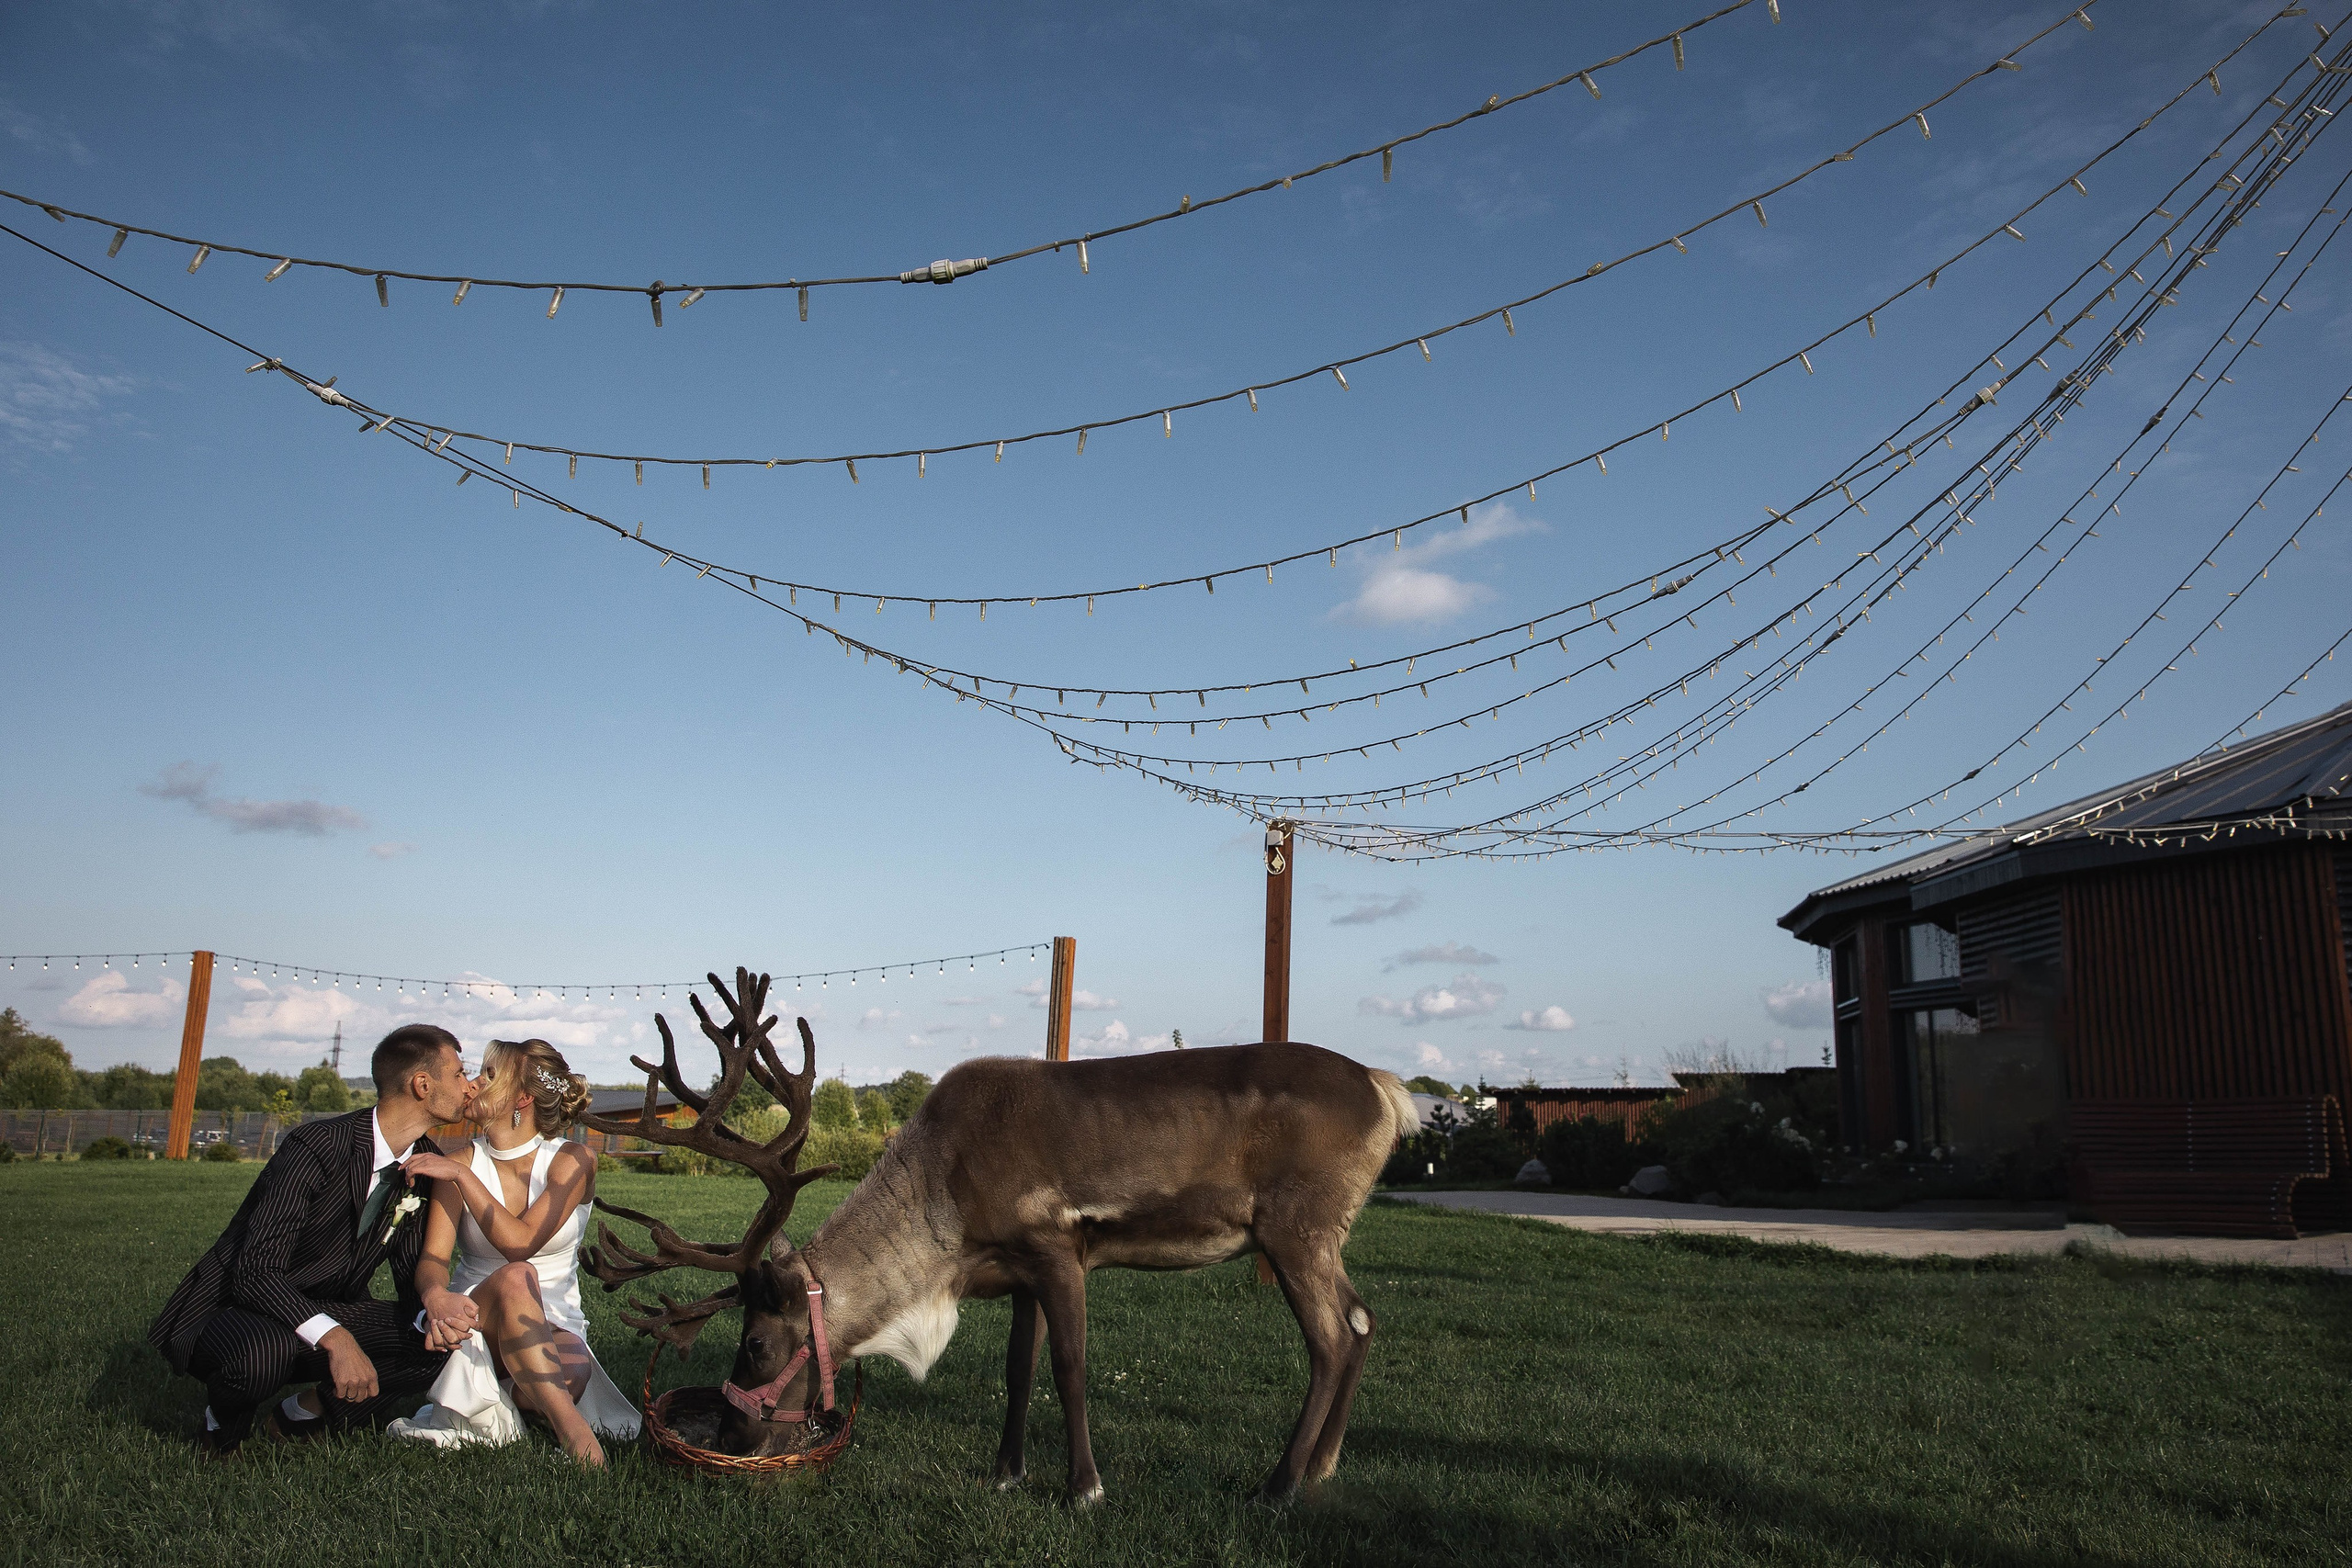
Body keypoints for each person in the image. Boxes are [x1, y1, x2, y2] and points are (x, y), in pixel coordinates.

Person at [147, 1024, 473, 1457]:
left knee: (438, 1345)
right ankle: (221, 1431)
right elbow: (256, 1273)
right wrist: (337, 1338)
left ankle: (300, 1416)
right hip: (237, 1307)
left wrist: (433, 1311)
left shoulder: (424, 1162)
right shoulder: (317, 1145)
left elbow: (409, 1268)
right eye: (458, 1074)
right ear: (422, 1084)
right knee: (266, 1350)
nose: (468, 1086)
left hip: (327, 1308)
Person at [387, 1037, 639, 1464]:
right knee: (516, 1276)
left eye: (488, 1075)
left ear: (521, 1097)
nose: (471, 1083)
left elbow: (521, 1242)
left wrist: (463, 1180)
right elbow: (433, 1260)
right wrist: (436, 1297)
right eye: (475, 1072)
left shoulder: (573, 1160)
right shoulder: (460, 1161)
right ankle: (576, 1438)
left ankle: (506, 1403)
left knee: (571, 1371)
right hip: (476, 1317)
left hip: (554, 1318)